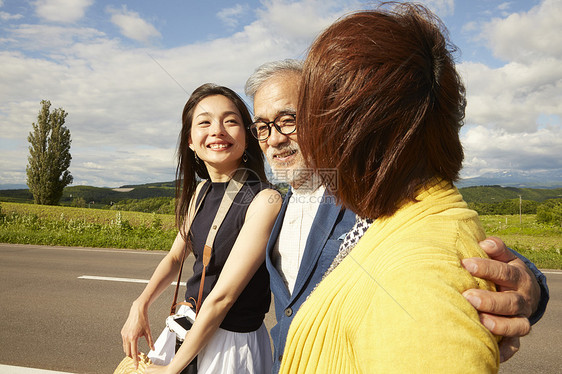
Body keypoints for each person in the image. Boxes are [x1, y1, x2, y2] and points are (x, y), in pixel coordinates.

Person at [245, 16, 548, 374]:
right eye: (262, 126)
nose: (275, 137)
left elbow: (440, 250)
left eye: (289, 119)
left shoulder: (373, 192)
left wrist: (530, 287)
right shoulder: (276, 205)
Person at [121, 83, 281, 374]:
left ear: (247, 134)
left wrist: (171, 370)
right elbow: (174, 258)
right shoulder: (200, 192)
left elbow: (223, 297)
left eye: (230, 121)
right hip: (189, 331)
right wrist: (140, 303)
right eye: (204, 122)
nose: (218, 130)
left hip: (231, 344)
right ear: (191, 141)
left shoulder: (264, 200)